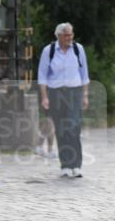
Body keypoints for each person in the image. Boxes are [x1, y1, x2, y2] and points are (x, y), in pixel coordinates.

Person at [37, 22, 90, 178]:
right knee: (61, 129)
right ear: (59, 35)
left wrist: (85, 95)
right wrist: (45, 97)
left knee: (73, 127)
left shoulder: (78, 49)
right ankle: (65, 165)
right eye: (67, 35)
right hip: (56, 92)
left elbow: (84, 74)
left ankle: (76, 165)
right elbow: (42, 76)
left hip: (74, 92)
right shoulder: (49, 51)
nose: (70, 38)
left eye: (71, 34)